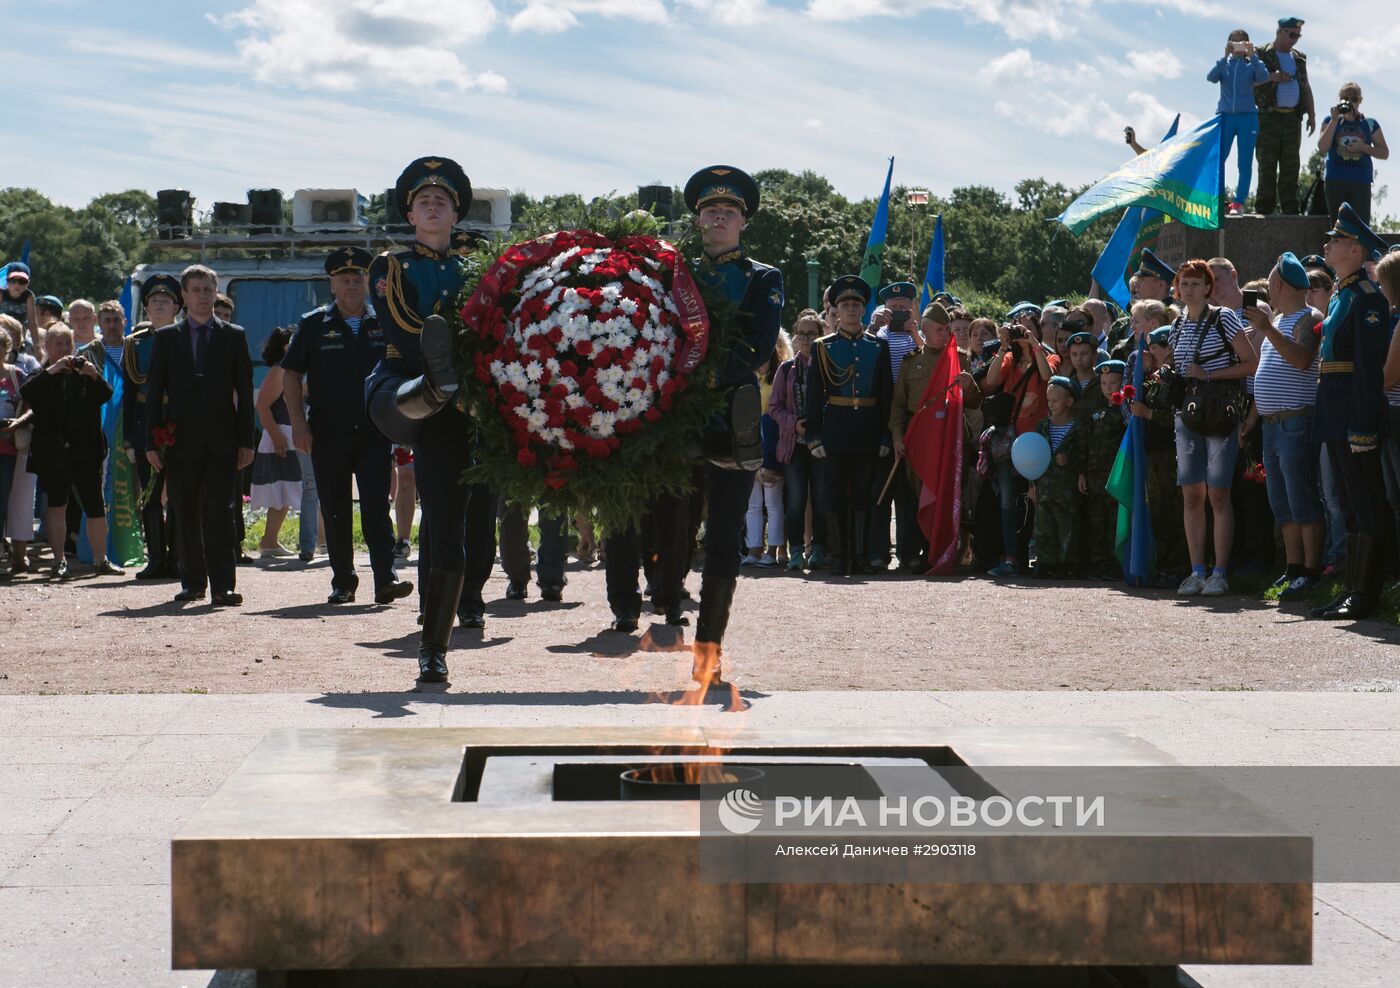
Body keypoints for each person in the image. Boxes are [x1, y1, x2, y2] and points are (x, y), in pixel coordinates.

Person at [365, 156, 482, 682]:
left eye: (443, 201)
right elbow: (403, 330)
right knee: (444, 518)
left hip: (476, 400)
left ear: (456, 213)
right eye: (423, 201)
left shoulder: (478, 264)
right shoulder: (390, 266)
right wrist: (448, 377)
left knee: (456, 519)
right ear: (410, 214)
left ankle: (447, 617)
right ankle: (433, 647)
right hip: (419, 395)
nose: (433, 206)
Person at [675, 165, 783, 686]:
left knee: (723, 538)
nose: (720, 216)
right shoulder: (676, 274)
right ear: (698, 221)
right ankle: (661, 599)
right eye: (710, 210)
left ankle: (707, 651)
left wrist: (702, 375)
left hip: (730, 415)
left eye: (730, 211)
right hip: (675, 414)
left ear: (743, 222)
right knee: (671, 526)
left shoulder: (762, 278)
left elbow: (758, 345)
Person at [283, 247, 411, 607]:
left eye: (358, 279)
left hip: (375, 430)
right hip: (327, 430)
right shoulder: (313, 324)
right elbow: (292, 374)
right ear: (332, 284)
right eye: (344, 280)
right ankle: (343, 581)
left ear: (368, 283)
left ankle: (386, 578)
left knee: (375, 506)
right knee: (335, 507)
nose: (352, 286)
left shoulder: (384, 321)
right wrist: (297, 423)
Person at [144, 264, 255, 606]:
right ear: (184, 296)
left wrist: (246, 442)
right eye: (197, 290)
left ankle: (224, 586)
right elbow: (153, 394)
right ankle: (192, 582)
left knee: (221, 513)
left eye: (209, 290)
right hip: (180, 441)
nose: (203, 297)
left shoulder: (234, 335)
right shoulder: (165, 338)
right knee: (186, 512)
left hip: (222, 441)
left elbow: (244, 391)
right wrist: (151, 442)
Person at [1308, 204, 1392, 619]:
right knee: (1348, 500)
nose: (1328, 244)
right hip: (1335, 410)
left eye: (1336, 239)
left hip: (1353, 415)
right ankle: (1351, 589)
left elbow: (1367, 372)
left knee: (1365, 501)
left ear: (1357, 250)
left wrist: (1362, 426)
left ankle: (1367, 593)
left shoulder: (1366, 298)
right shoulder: (1344, 294)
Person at [1168, 259, 1257, 597]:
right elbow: (1178, 367)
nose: (1188, 289)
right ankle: (1196, 570)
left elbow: (1251, 363)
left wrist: (1207, 374)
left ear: (1208, 288)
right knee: (1192, 494)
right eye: (1184, 283)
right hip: (1187, 415)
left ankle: (1220, 571)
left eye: (1195, 283)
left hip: (1219, 412)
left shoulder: (1224, 317)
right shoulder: (1177, 325)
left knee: (1219, 493)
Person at [1243, 252, 1324, 600]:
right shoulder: (1277, 319)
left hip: (1295, 421)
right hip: (1273, 424)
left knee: (1303, 499)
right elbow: (1266, 371)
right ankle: (1292, 569)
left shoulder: (1310, 316)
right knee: (1282, 503)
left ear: (1277, 284)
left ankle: (1311, 572)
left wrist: (1267, 329)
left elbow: (1302, 360)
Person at [19, 325, 122, 579]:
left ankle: (101, 560)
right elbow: (28, 393)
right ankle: (58, 560)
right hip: (53, 452)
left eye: (68, 344)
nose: (64, 349)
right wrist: (53, 371)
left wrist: (93, 374)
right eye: (58, 344)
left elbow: (106, 395)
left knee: (95, 506)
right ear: (47, 347)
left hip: (86, 450)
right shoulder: (40, 372)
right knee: (57, 506)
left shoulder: (83, 371)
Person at [807, 275, 891, 578]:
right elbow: (815, 395)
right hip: (836, 429)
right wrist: (813, 435)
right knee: (832, 493)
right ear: (836, 311)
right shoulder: (822, 347)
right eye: (845, 304)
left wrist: (885, 434)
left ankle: (859, 555)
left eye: (856, 304)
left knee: (862, 494)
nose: (852, 308)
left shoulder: (877, 347)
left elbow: (885, 395)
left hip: (868, 428)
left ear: (864, 310)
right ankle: (839, 555)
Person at [888, 302, 982, 572]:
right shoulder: (911, 361)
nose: (944, 334)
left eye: (947, 330)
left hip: (949, 440)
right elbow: (897, 405)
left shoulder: (959, 359)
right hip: (918, 440)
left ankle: (941, 550)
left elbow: (974, 402)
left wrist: (970, 386)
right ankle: (912, 553)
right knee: (917, 496)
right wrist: (897, 436)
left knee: (948, 494)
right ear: (925, 330)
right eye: (939, 330)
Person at [982, 311, 1059, 578]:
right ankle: (1012, 558)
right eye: (1018, 329)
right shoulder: (1008, 360)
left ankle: (1041, 558)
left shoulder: (1048, 356)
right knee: (1006, 501)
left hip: (1037, 440)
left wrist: (1035, 344)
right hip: (1009, 440)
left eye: (1027, 328)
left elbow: (1048, 376)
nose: (1022, 333)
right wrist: (1004, 345)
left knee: (1038, 500)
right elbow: (992, 381)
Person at [123, 275, 182, 580]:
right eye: (153, 301)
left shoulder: (187, 338)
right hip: (147, 420)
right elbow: (131, 393)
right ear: (145, 308)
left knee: (179, 495)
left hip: (180, 420)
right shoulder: (135, 344)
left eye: (166, 300)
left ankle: (177, 558)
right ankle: (156, 558)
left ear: (177, 307)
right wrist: (130, 439)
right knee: (150, 495)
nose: (159, 304)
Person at [770, 310, 829, 572]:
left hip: (821, 443)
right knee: (794, 500)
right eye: (802, 334)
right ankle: (795, 551)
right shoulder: (785, 370)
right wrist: (793, 422)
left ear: (821, 336)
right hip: (792, 444)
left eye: (811, 334)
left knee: (820, 499)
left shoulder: (829, 366)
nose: (806, 339)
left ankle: (817, 550)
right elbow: (774, 407)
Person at [869, 282, 921, 571]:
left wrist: (915, 333)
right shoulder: (877, 335)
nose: (899, 311)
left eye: (904, 306)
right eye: (894, 306)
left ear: (912, 307)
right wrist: (874, 329)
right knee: (880, 487)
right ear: (885, 308)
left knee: (908, 490)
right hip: (880, 419)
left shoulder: (920, 336)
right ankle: (878, 551)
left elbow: (931, 363)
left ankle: (909, 552)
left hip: (912, 420)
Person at [1253, 16, 1315, 216]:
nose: (1295, 39)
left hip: (1292, 119)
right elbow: (1247, 81)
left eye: (1298, 36)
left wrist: (1311, 114)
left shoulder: (1299, 58)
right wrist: (1272, 77)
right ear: (1279, 31)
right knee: (1267, 166)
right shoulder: (1262, 54)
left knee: (1291, 168)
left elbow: (1306, 87)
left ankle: (1290, 211)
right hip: (1268, 117)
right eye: (1292, 34)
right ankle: (1264, 210)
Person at [249, 327, 302, 558]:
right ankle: (269, 540)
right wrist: (278, 437)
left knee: (286, 490)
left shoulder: (293, 369)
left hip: (291, 434)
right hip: (279, 434)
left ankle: (270, 540)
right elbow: (262, 406)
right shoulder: (280, 370)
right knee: (281, 489)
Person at [1027, 376, 1085, 578]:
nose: (1051, 405)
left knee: (1068, 524)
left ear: (1069, 402)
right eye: (1049, 400)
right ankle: (1045, 561)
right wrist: (1032, 485)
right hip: (1044, 485)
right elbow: (1032, 457)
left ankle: (1067, 562)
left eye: (1056, 401)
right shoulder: (1042, 425)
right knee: (1043, 525)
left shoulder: (1077, 426)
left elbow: (1084, 453)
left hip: (1066, 487)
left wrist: (1070, 461)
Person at [743, 330, 791, 568]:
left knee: (773, 503)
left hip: (773, 445)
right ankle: (753, 550)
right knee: (752, 504)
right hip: (749, 445)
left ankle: (772, 552)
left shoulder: (780, 376)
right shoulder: (746, 377)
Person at [1208, 29, 1268, 214]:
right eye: (1233, 42)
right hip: (1225, 116)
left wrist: (1254, 56)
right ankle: (1216, 199)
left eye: (1241, 42)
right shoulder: (1225, 66)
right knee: (1219, 159)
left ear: (1247, 45)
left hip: (1247, 118)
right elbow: (1211, 78)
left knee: (1244, 162)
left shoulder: (1251, 65)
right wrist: (1224, 57)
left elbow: (1264, 77)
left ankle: (1238, 203)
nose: (1237, 46)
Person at [1318, 82, 1389, 224]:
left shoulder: (1369, 124)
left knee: (1360, 227)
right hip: (1335, 180)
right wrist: (1334, 121)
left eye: (1354, 99)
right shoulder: (1330, 120)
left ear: (1360, 101)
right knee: (1338, 226)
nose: (1350, 102)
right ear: (1340, 99)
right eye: (1345, 98)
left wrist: (1364, 147)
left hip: (1360, 181)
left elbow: (1384, 153)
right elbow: (1322, 147)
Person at [1376, 252, 1400, 583]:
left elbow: (1390, 376)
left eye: (1381, 283)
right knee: (1394, 497)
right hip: (1391, 413)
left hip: (1396, 413)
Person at [1, 263, 38, 354]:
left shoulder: (29, 296)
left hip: (20, 337)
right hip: (2, 334)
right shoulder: (1, 293)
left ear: (27, 283)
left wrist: (37, 345)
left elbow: (32, 322)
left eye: (22, 281)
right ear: (7, 281)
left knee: (29, 351)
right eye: (13, 280)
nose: (17, 284)